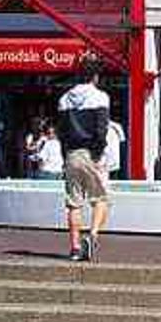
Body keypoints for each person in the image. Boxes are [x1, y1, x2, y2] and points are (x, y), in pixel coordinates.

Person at [56, 64, 112, 261]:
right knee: (101, 199)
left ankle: (74, 247)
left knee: (74, 204)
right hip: (91, 153)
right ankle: (93, 235)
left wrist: (65, 157)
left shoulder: (64, 99)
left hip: (71, 154)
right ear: (95, 76)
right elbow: (101, 129)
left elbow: (62, 133)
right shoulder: (100, 97)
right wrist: (98, 152)